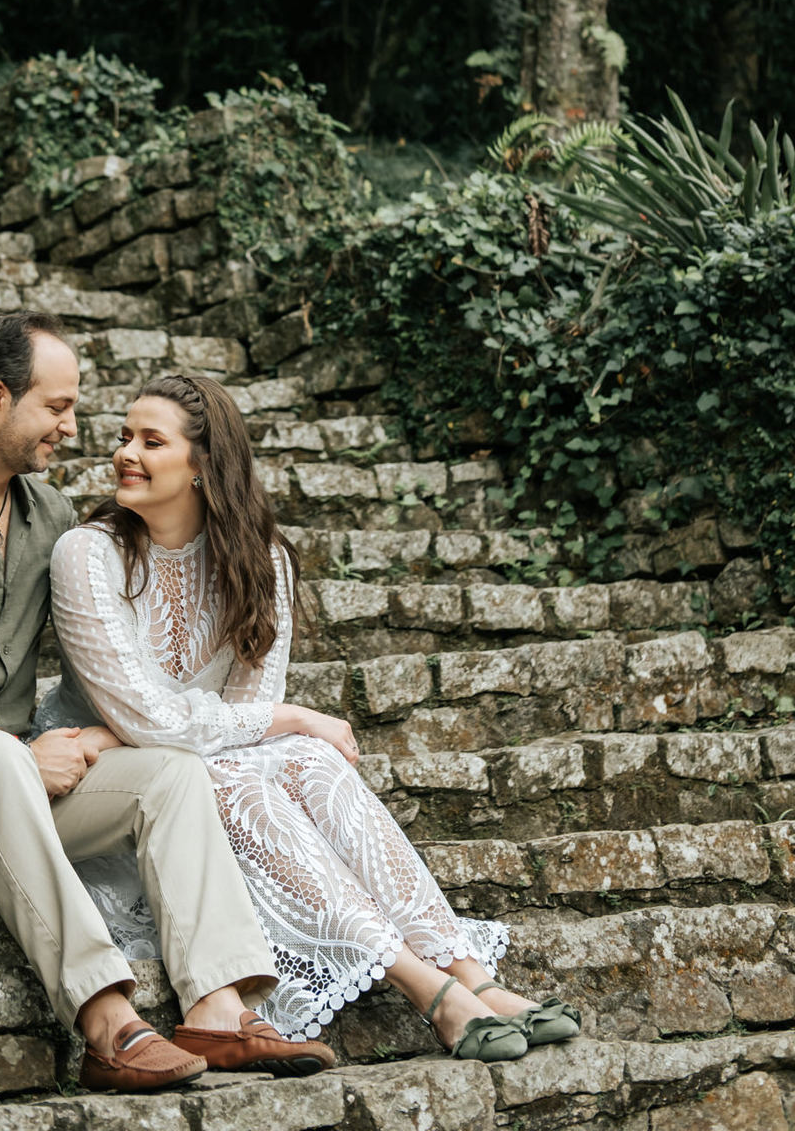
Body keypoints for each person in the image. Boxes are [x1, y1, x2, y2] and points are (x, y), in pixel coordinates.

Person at [0, 313, 335, 1092]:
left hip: (1, 791)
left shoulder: (49, 517)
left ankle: (218, 1011)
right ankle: (109, 1023)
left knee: (169, 774)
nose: (72, 427)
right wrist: (18, 754)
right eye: (57, 407)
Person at [34, 372, 582, 1065]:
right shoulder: (89, 554)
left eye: (151, 440)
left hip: (153, 750)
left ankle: (471, 976)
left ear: (204, 464)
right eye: (123, 437)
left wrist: (245, 723)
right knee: (245, 776)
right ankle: (430, 991)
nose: (124, 454)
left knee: (310, 758)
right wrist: (286, 714)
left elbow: (234, 713)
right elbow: (161, 719)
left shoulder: (260, 561)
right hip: (116, 785)